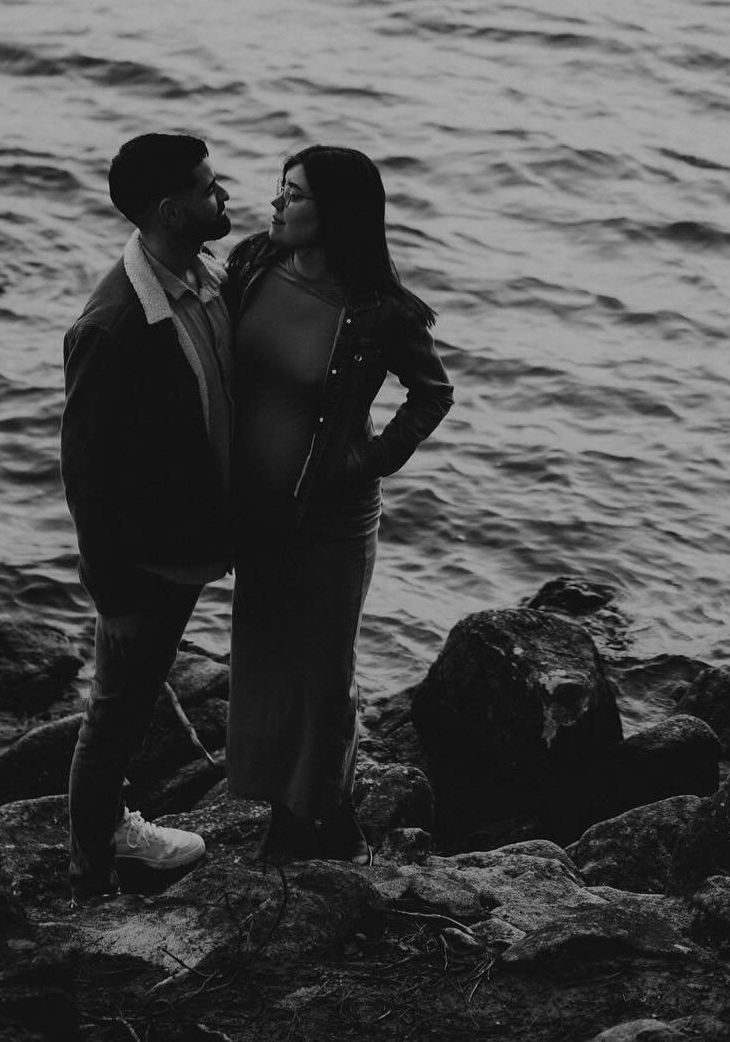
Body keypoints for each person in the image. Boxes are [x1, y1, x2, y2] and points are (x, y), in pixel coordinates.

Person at [223, 144, 453, 863]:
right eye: (280, 191)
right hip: (261, 512)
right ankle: (305, 809)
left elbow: (432, 394)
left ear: (336, 214)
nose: (275, 204)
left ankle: (309, 821)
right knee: (264, 662)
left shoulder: (378, 312)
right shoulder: (253, 263)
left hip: (331, 517)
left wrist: (367, 461)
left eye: (292, 195)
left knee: (321, 675)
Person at [60, 131, 234, 900]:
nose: (222, 195)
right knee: (119, 708)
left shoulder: (204, 275)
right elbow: (88, 479)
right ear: (171, 208)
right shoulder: (114, 326)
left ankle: (107, 847)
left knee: (131, 698)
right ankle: (97, 861)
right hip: (150, 558)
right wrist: (115, 597)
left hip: (198, 538)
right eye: (207, 187)